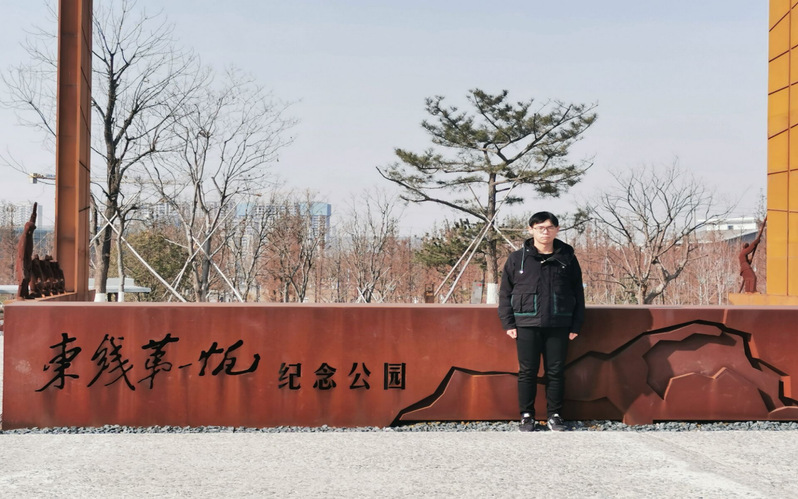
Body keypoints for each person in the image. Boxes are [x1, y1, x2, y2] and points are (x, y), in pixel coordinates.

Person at [498, 211, 585, 432]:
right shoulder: (517, 259)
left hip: (559, 323)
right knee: (527, 371)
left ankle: (555, 415)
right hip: (526, 324)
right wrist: (508, 323)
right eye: (540, 228)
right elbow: (505, 293)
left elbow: (578, 293)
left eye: (549, 227)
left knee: (555, 372)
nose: (545, 232)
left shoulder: (567, 258)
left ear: (557, 230)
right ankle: (527, 415)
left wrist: (576, 324)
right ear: (531, 230)